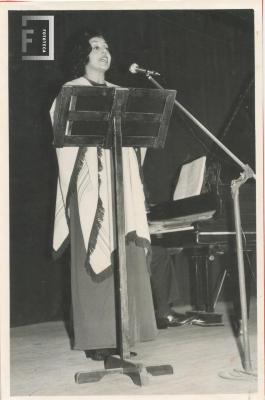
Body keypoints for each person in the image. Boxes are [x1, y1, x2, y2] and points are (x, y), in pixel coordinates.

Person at [50, 30, 157, 360]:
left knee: (126, 254)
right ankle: (98, 340)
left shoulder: (122, 92)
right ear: (82, 54)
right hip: (89, 190)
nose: (103, 52)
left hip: (120, 187)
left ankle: (126, 334)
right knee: (93, 259)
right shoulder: (71, 92)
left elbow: (141, 137)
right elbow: (63, 136)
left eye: (106, 47)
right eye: (95, 47)